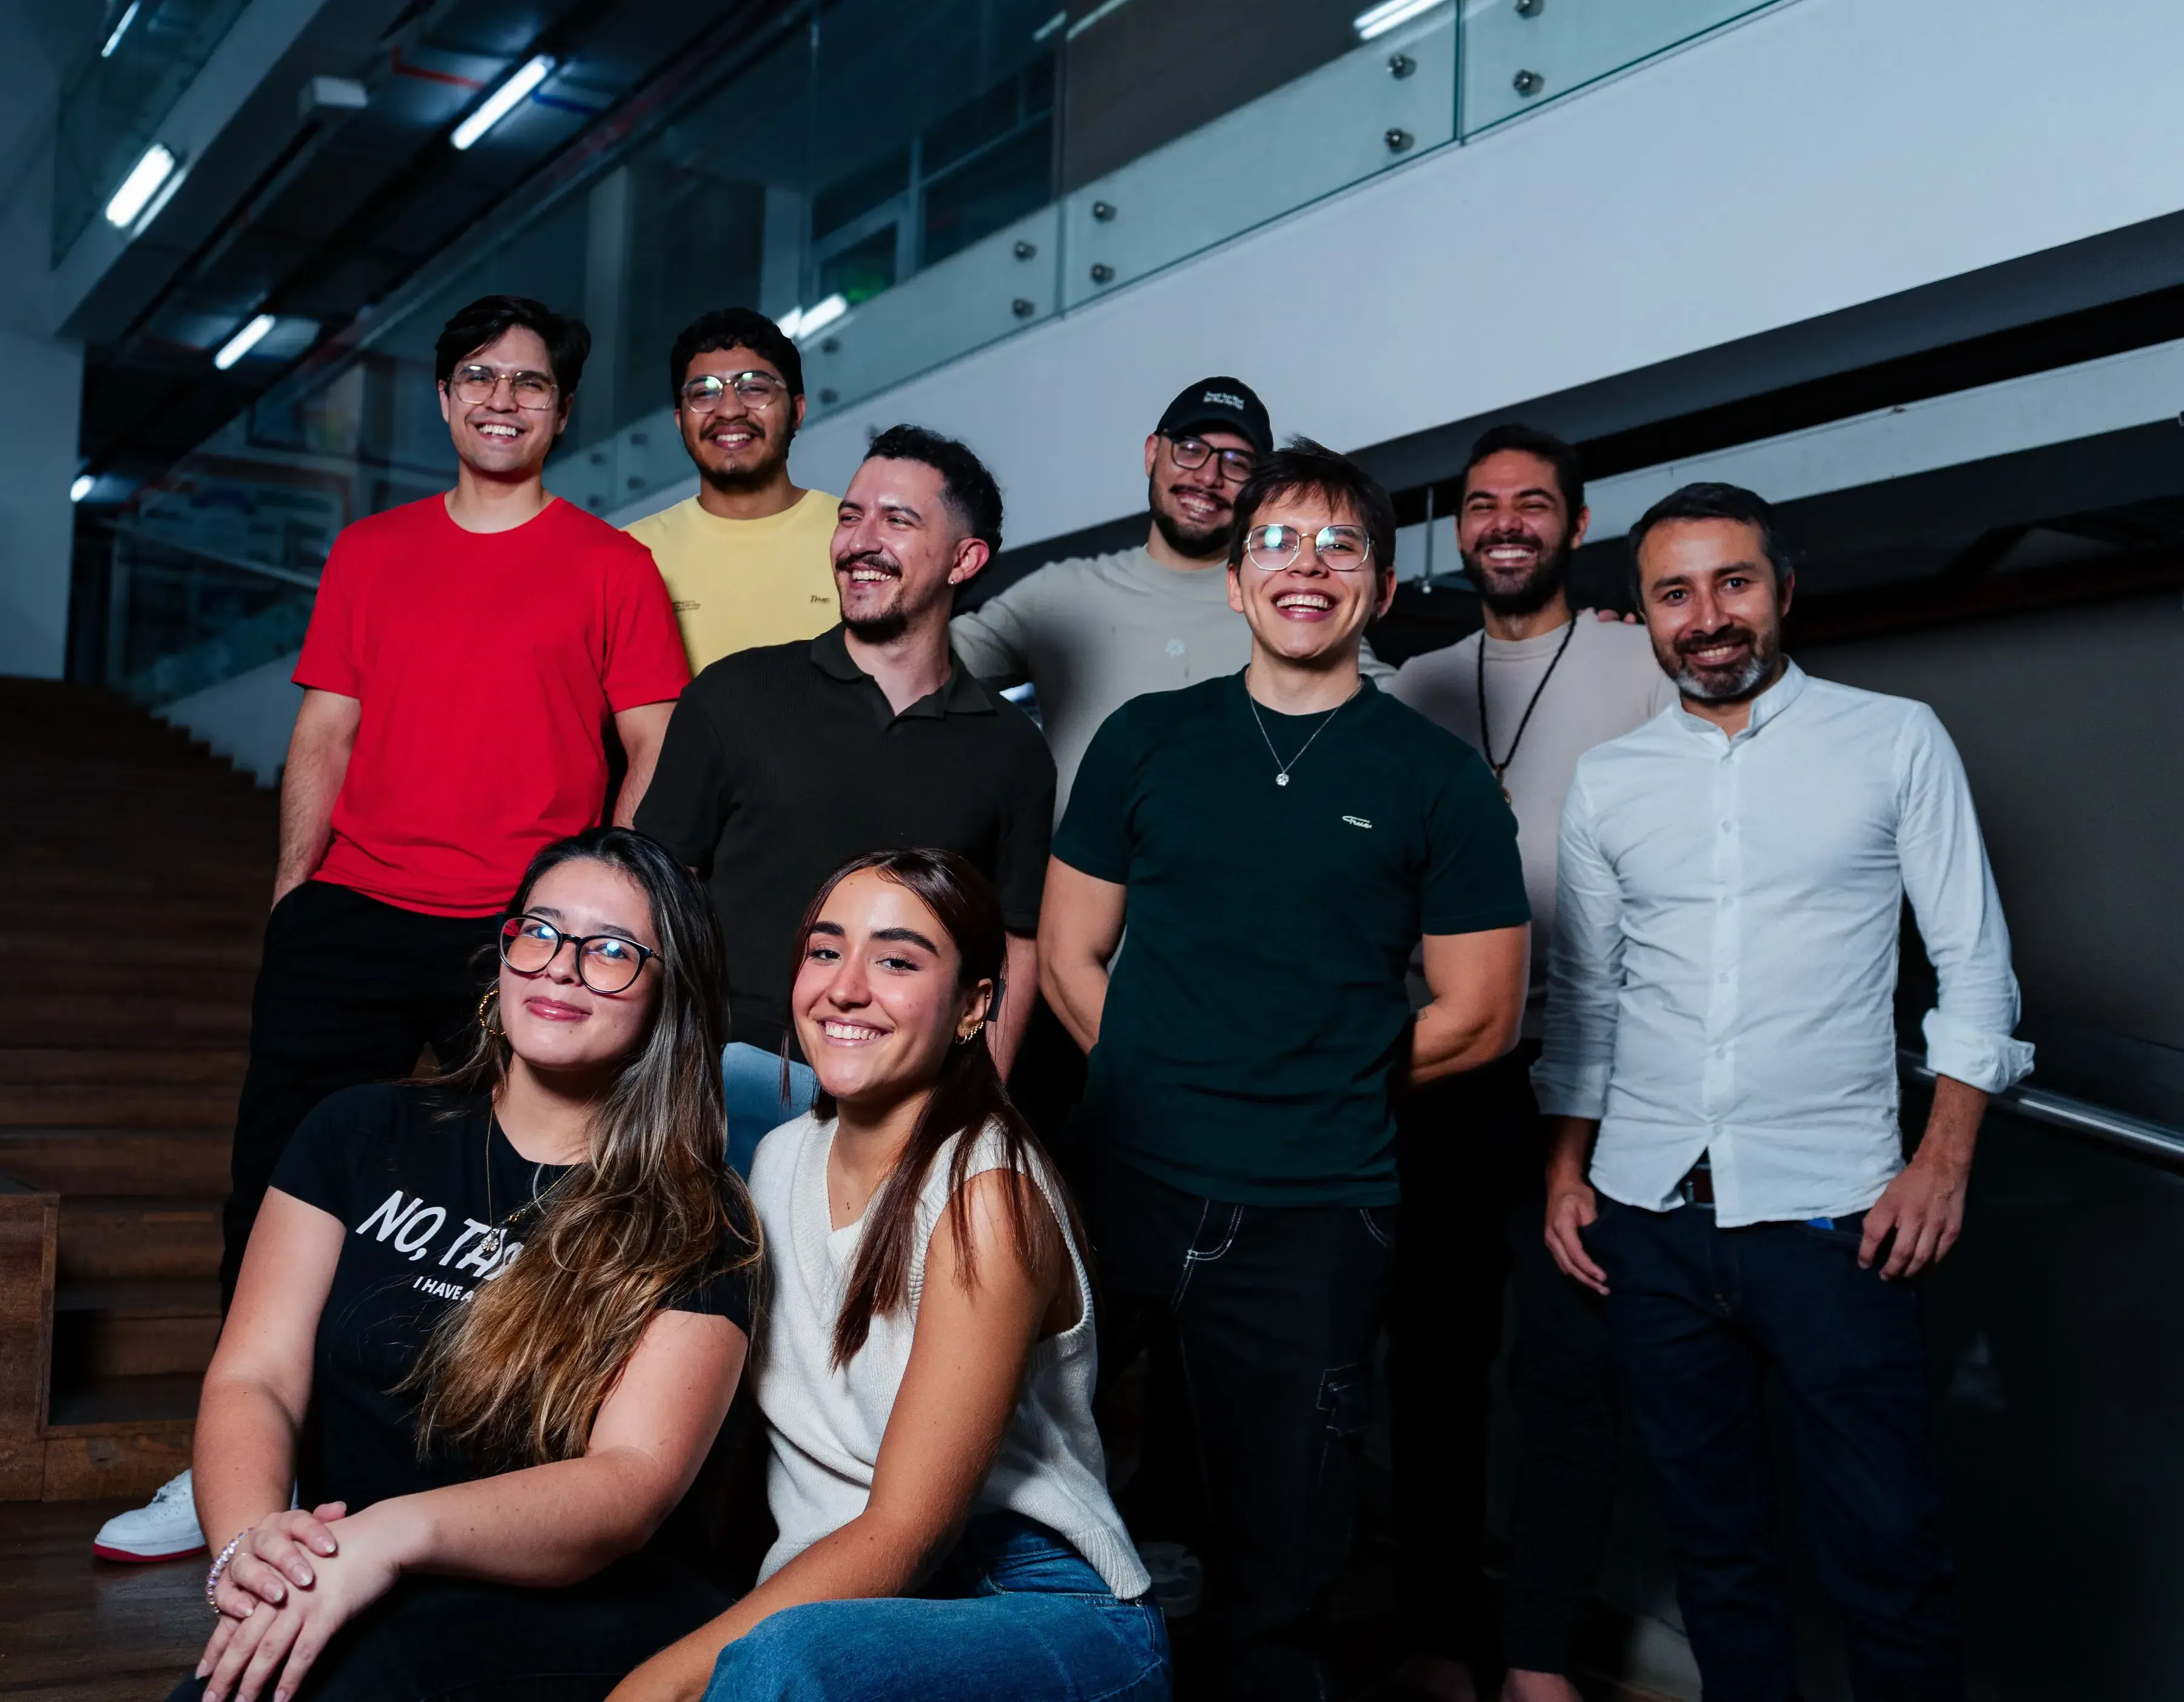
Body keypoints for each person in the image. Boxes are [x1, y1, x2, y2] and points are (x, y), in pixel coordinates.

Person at [96, 295, 690, 1566]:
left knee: (508, 1187)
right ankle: (234, 1470)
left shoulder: (612, 565)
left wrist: (587, 901)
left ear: (562, 410)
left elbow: (657, 740)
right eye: (479, 376)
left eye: (529, 382)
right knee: (271, 1184)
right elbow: (324, 729)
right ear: (443, 397)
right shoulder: (371, 551)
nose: (502, 398)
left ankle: (486, 1459)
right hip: (355, 907)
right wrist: (293, 893)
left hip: (516, 929)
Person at [1040, 439, 1532, 1701]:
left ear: (1375, 585)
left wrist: (1311, 1079)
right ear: (1236, 576)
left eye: (1339, 546)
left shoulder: (1437, 776)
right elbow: (1069, 955)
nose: (1304, 567)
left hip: (1318, 1208)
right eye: (1277, 541)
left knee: (1283, 1571)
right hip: (1121, 1178)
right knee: (1026, 1492)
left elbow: (1480, 1014)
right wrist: (1167, 1071)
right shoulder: (1148, 739)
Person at [1537, 483, 2032, 1702]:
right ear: (1643, 617)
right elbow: (1588, 995)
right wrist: (1565, 1166)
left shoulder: (1896, 737)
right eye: (1675, 592)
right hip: (1649, 1221)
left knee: (1891, 1553)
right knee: (1716, 1553)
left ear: (1783, 591)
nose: (1708, 615)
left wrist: (1944, 1159)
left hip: (1837, 1222)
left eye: (1734, 581)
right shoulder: (1609, 780)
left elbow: (1976, 963)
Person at [173, 829, 760, 1702]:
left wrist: (391, 1536)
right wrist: (259, 1552)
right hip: (353, 1576)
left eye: (610, 951)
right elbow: (254, 1375)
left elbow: (627, 1484)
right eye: (541, 931)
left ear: (667, 994)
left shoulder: (696, 1214)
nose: (560, 967)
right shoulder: (358, 1130)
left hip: (577, 1609)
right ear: (506, 951)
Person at [611, 849, 1168, 1702]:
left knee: (768, 1664)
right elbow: (775, 1441)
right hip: (846, 1595)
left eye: (898, 960)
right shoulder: (779, 1157)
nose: (847, 986)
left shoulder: (990, 1195)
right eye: (827, 950)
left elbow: (911, 1526)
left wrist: (654, 1686)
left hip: (1034, 1600)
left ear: (974, 1007)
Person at [1382, 425, 1676, 1702]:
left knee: (1574, 1372)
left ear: (1576, 519)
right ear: (1458, 527)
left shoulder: (1638, 658)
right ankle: (1443, 1633)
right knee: (1433, 1373)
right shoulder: (1415, 683)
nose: (1507, 523)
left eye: (1534, 504)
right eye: (1485, 505)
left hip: (1590, 1077)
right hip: (1441, 1071)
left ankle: (1544, 1652)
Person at [636, 426, 1056, 1176]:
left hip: (905, 1091)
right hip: (721, 1082)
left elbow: (1017, 941)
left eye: (898, 520)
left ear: (966, 559)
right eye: (850, 515)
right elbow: (658, 891)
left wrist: (977, 1099)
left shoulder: (1012, 750)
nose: (861, 540)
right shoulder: (736, 694)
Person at [949, 377, 1392, 816]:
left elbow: (1397, 706)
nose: (1208, 476)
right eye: (1191, 449)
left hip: (1229, 878)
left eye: (1237, 462)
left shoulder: (1282, 606)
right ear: (1152, 454)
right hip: (1070, 879)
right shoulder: (1059, 593)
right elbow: (921, 665)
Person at [625, 308, 840, 673]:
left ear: (798, 412)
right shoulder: (630, 555)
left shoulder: (857, 538)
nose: (728, 411)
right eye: (704, 393)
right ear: (681, 420)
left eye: (754, 388)